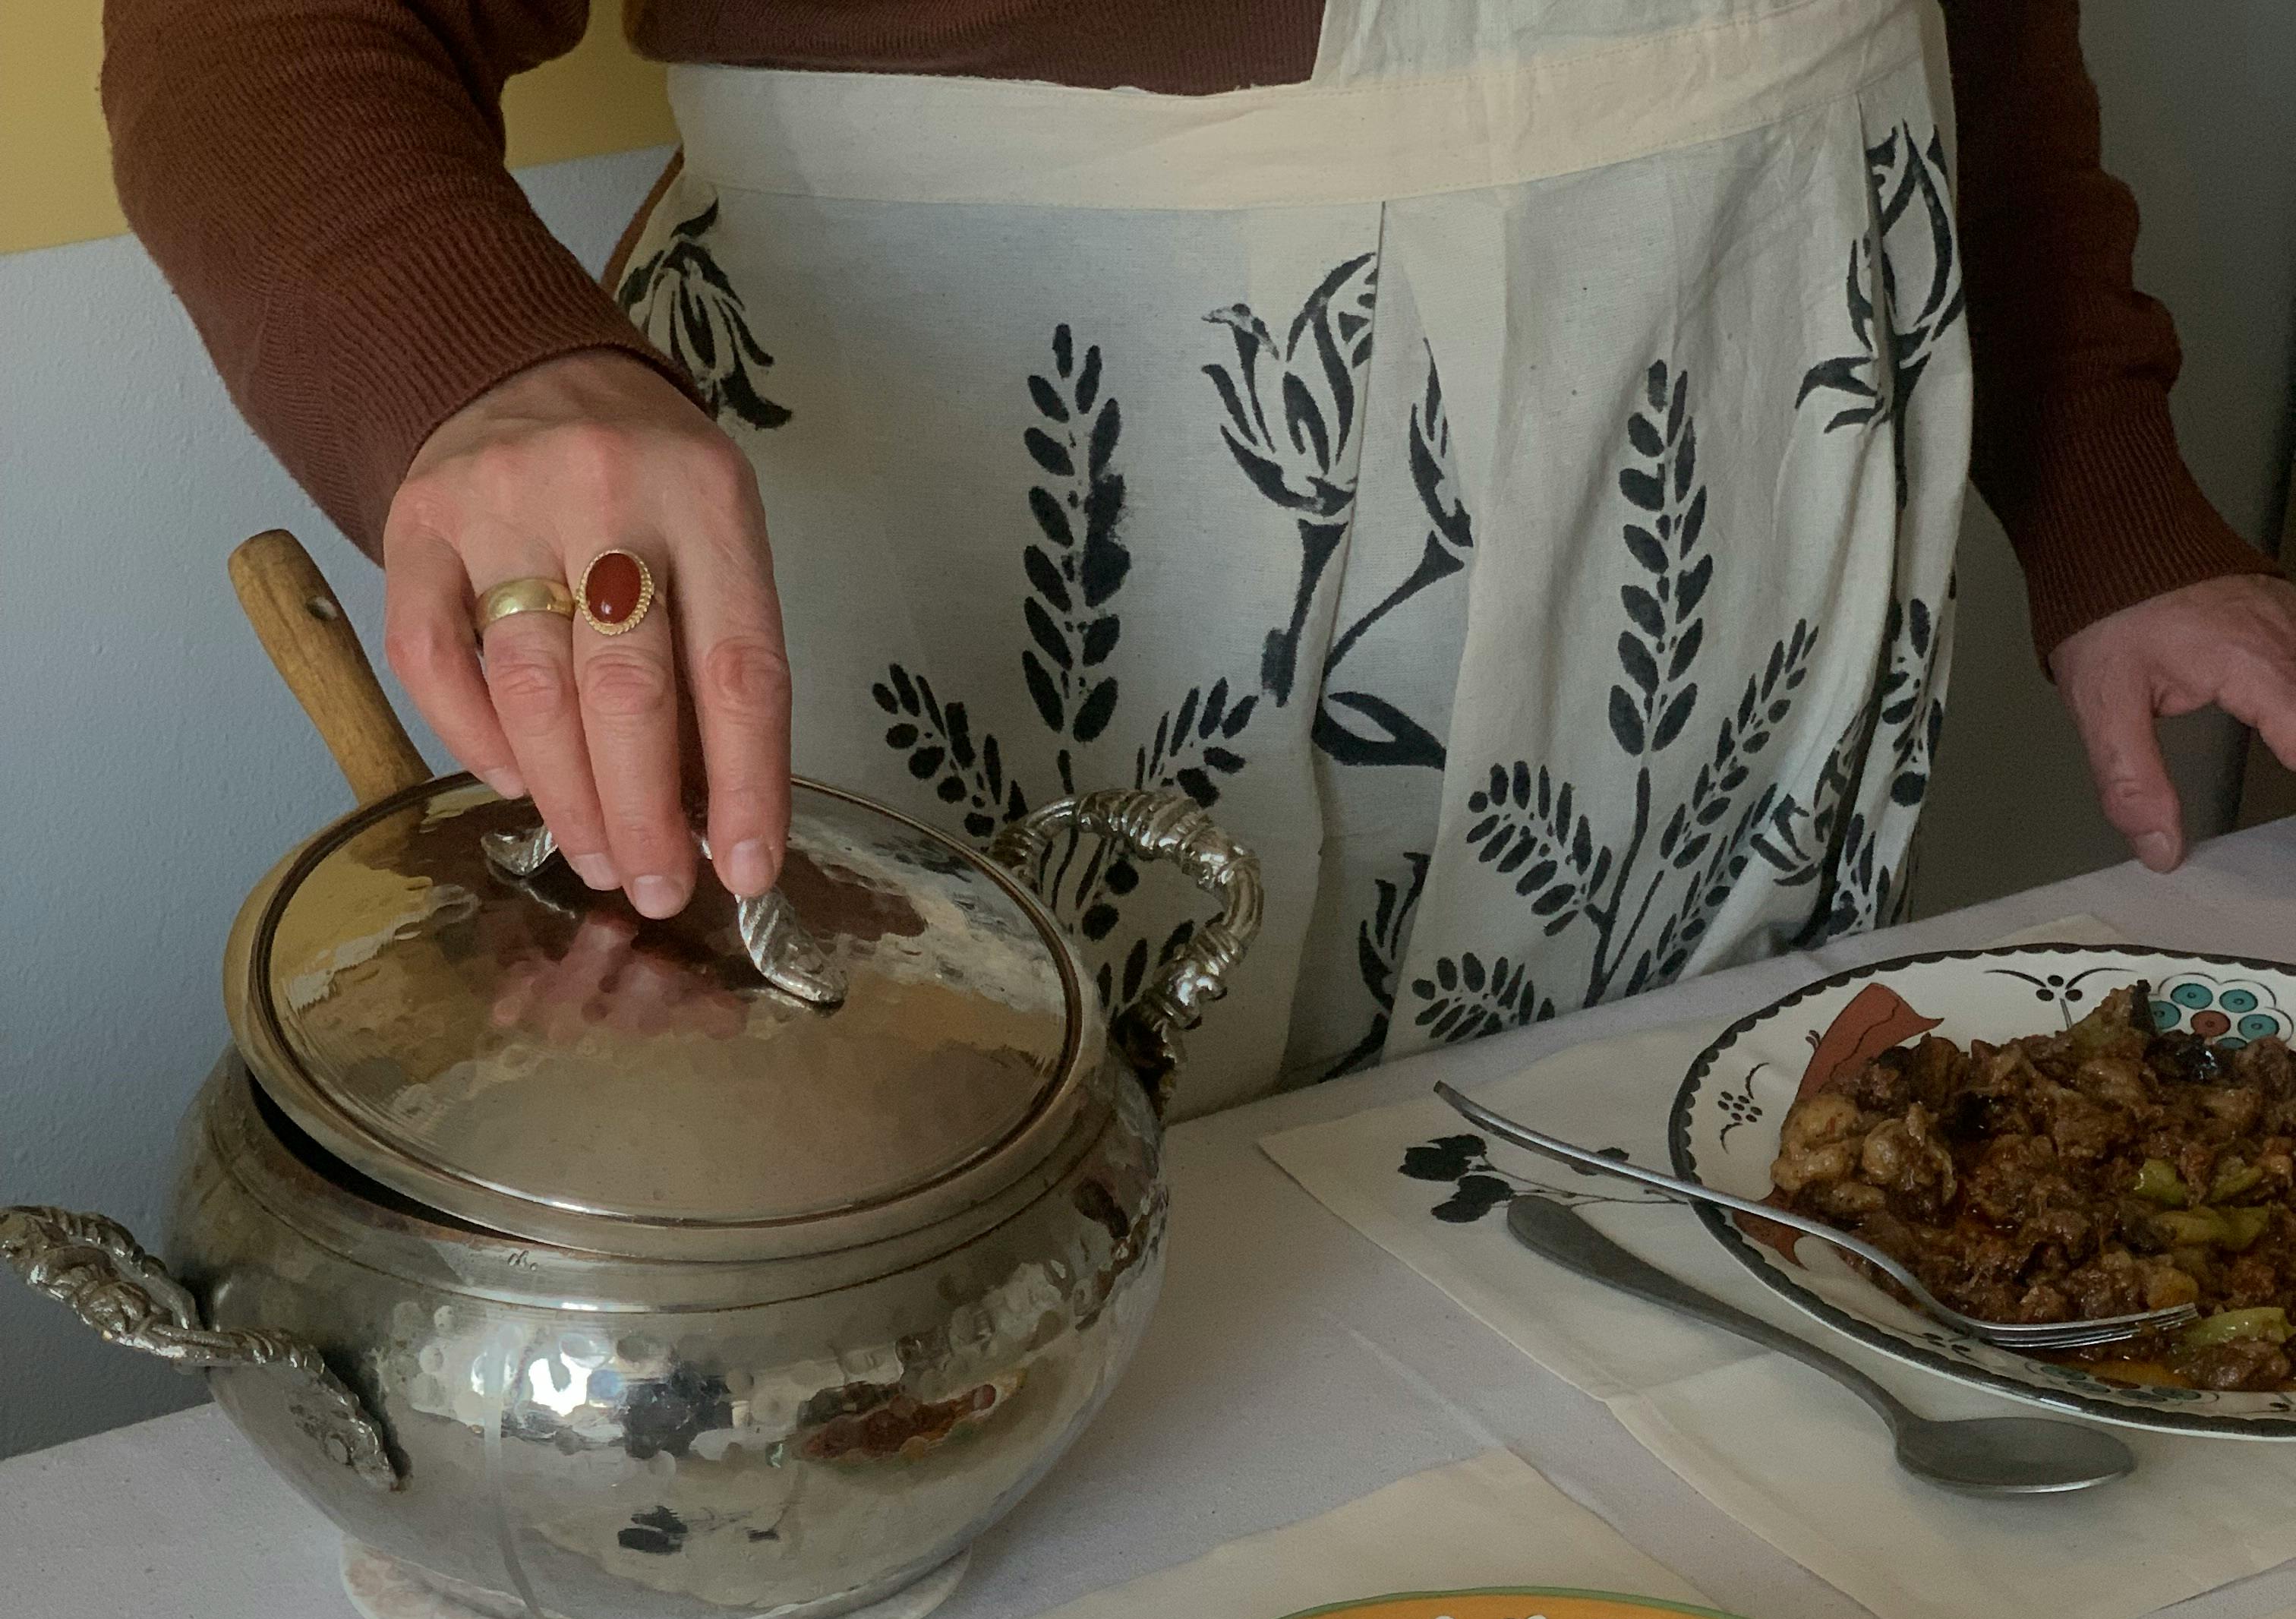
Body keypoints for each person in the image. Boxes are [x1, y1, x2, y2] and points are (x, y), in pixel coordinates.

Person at [106, 0, 2296, 1108]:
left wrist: (2112, 495)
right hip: (1040, 521)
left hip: (1732, 492)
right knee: (1005, 1364)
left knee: (1681, 1275)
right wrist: (479, 373)